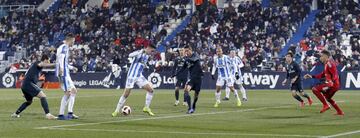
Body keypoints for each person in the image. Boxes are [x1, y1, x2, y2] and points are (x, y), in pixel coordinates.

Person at [112, 44, 157, 117]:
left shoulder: (147, 56)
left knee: (151, 90)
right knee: (126, 94)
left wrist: (145, 66)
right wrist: (141, 52)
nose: (152, 53)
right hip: (131, 76)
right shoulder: (140, 53)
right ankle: (116, 111)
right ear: (148, 48)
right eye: (152, 51)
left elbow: (141, 64)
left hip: (139, 76)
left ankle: (146, 107)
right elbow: (130, 55)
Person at [11, 55, 57, 120]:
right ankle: (48, 114)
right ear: (45, 60)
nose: (48, 62)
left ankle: (15, 114)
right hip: (28, 84)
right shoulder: (38, 63)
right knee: (43, 96)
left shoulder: (36, 67)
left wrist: (26, 91)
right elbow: (41, 64)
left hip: (25, 85)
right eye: (48, 61)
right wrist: (55, 64)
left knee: (29, 101)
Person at [304, 50, 344, 115]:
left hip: (332, 85)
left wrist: (330, 84)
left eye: (321, 56)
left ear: (325, 56)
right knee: (328, 98)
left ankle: (326, 105)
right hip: (334, 85)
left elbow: (335, 75)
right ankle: (340, 112)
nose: (320, 58)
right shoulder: (326, 64)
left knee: (315, 89)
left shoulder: (329, 63)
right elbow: (322, 75)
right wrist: (311, 76)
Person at [174, 45, 203, 114]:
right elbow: (183, 68)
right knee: (186, 90)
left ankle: (193, 106)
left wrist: (186, 59)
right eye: (185, 51)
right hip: (192, 78)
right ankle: (190, 108)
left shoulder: (195, 55)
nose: (186, 52)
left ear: (191, 50)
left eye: (187, 51)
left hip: (198, 78)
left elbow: (194, 59)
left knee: (196, 94)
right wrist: (175, 74)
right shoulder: (187, 59)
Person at [56, 33, 79, 120]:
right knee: (69, 92)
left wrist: (72, 67)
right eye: (73, 41)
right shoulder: (65, 47)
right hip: (64, 73)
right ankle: (62, 114)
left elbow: (63, 62)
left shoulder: (62, 47)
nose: (73, 42)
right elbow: (61, 58)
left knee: (72, 91)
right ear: (69, 40)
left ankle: (68, 113)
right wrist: (62, 69)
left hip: (65, 72)